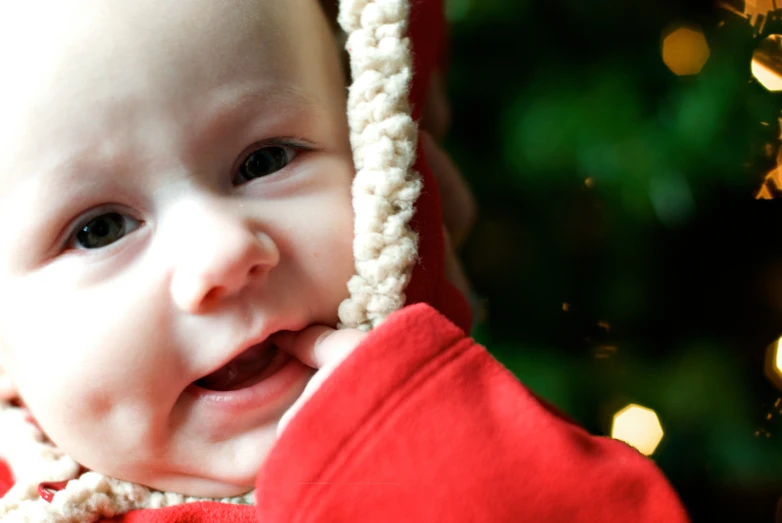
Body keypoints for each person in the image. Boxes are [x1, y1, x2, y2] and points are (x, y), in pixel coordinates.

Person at [0, 0, 690, 521]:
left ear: (381, 150)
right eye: (99, 229)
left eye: (265, 159)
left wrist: (419, 445)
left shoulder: (489, 440)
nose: (224, 252)